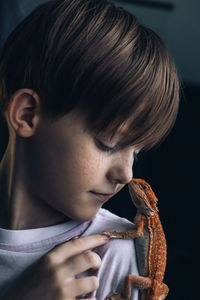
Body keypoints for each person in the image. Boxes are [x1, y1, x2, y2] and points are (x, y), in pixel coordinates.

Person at [0, 0, 179, 299]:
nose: (126, 173)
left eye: (137, 152)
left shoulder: (112, 253)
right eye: (108, 143)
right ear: (28, 115)